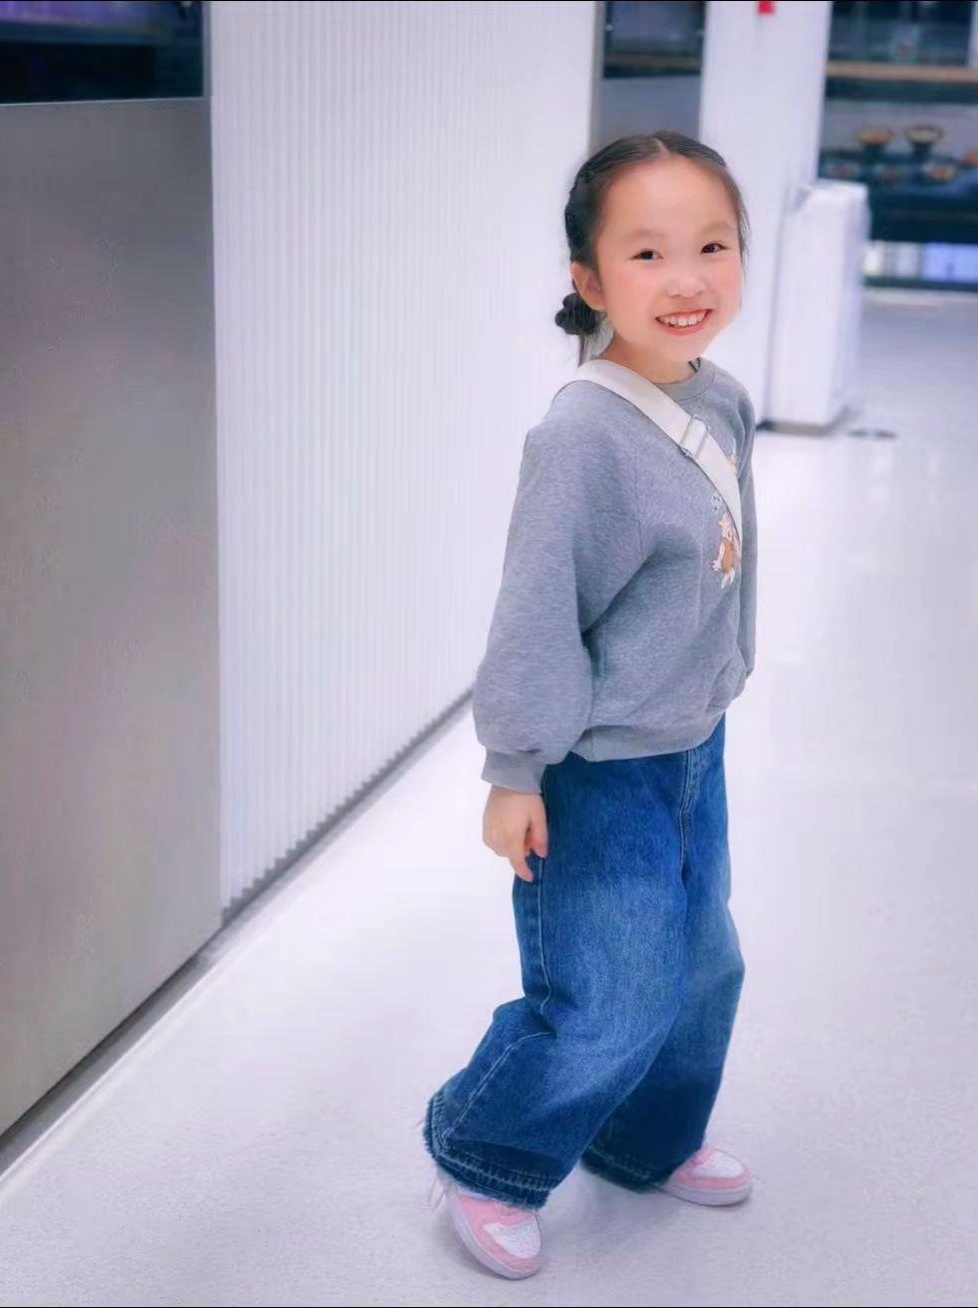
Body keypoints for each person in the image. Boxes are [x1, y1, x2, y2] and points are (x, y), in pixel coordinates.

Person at [422, 130, 759, 1280]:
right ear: (590, 280)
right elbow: (534, 612)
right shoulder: (578, 437)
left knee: (701, 970)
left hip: (692, 747)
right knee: (611, 992)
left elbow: (718, 567)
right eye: (648, 252)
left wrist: (719, 685)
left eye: (711, 246)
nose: (686, 278)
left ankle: (644, 1138)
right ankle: (485, 1149)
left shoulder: (720, 400)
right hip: (597, 765)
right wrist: (513, 770)